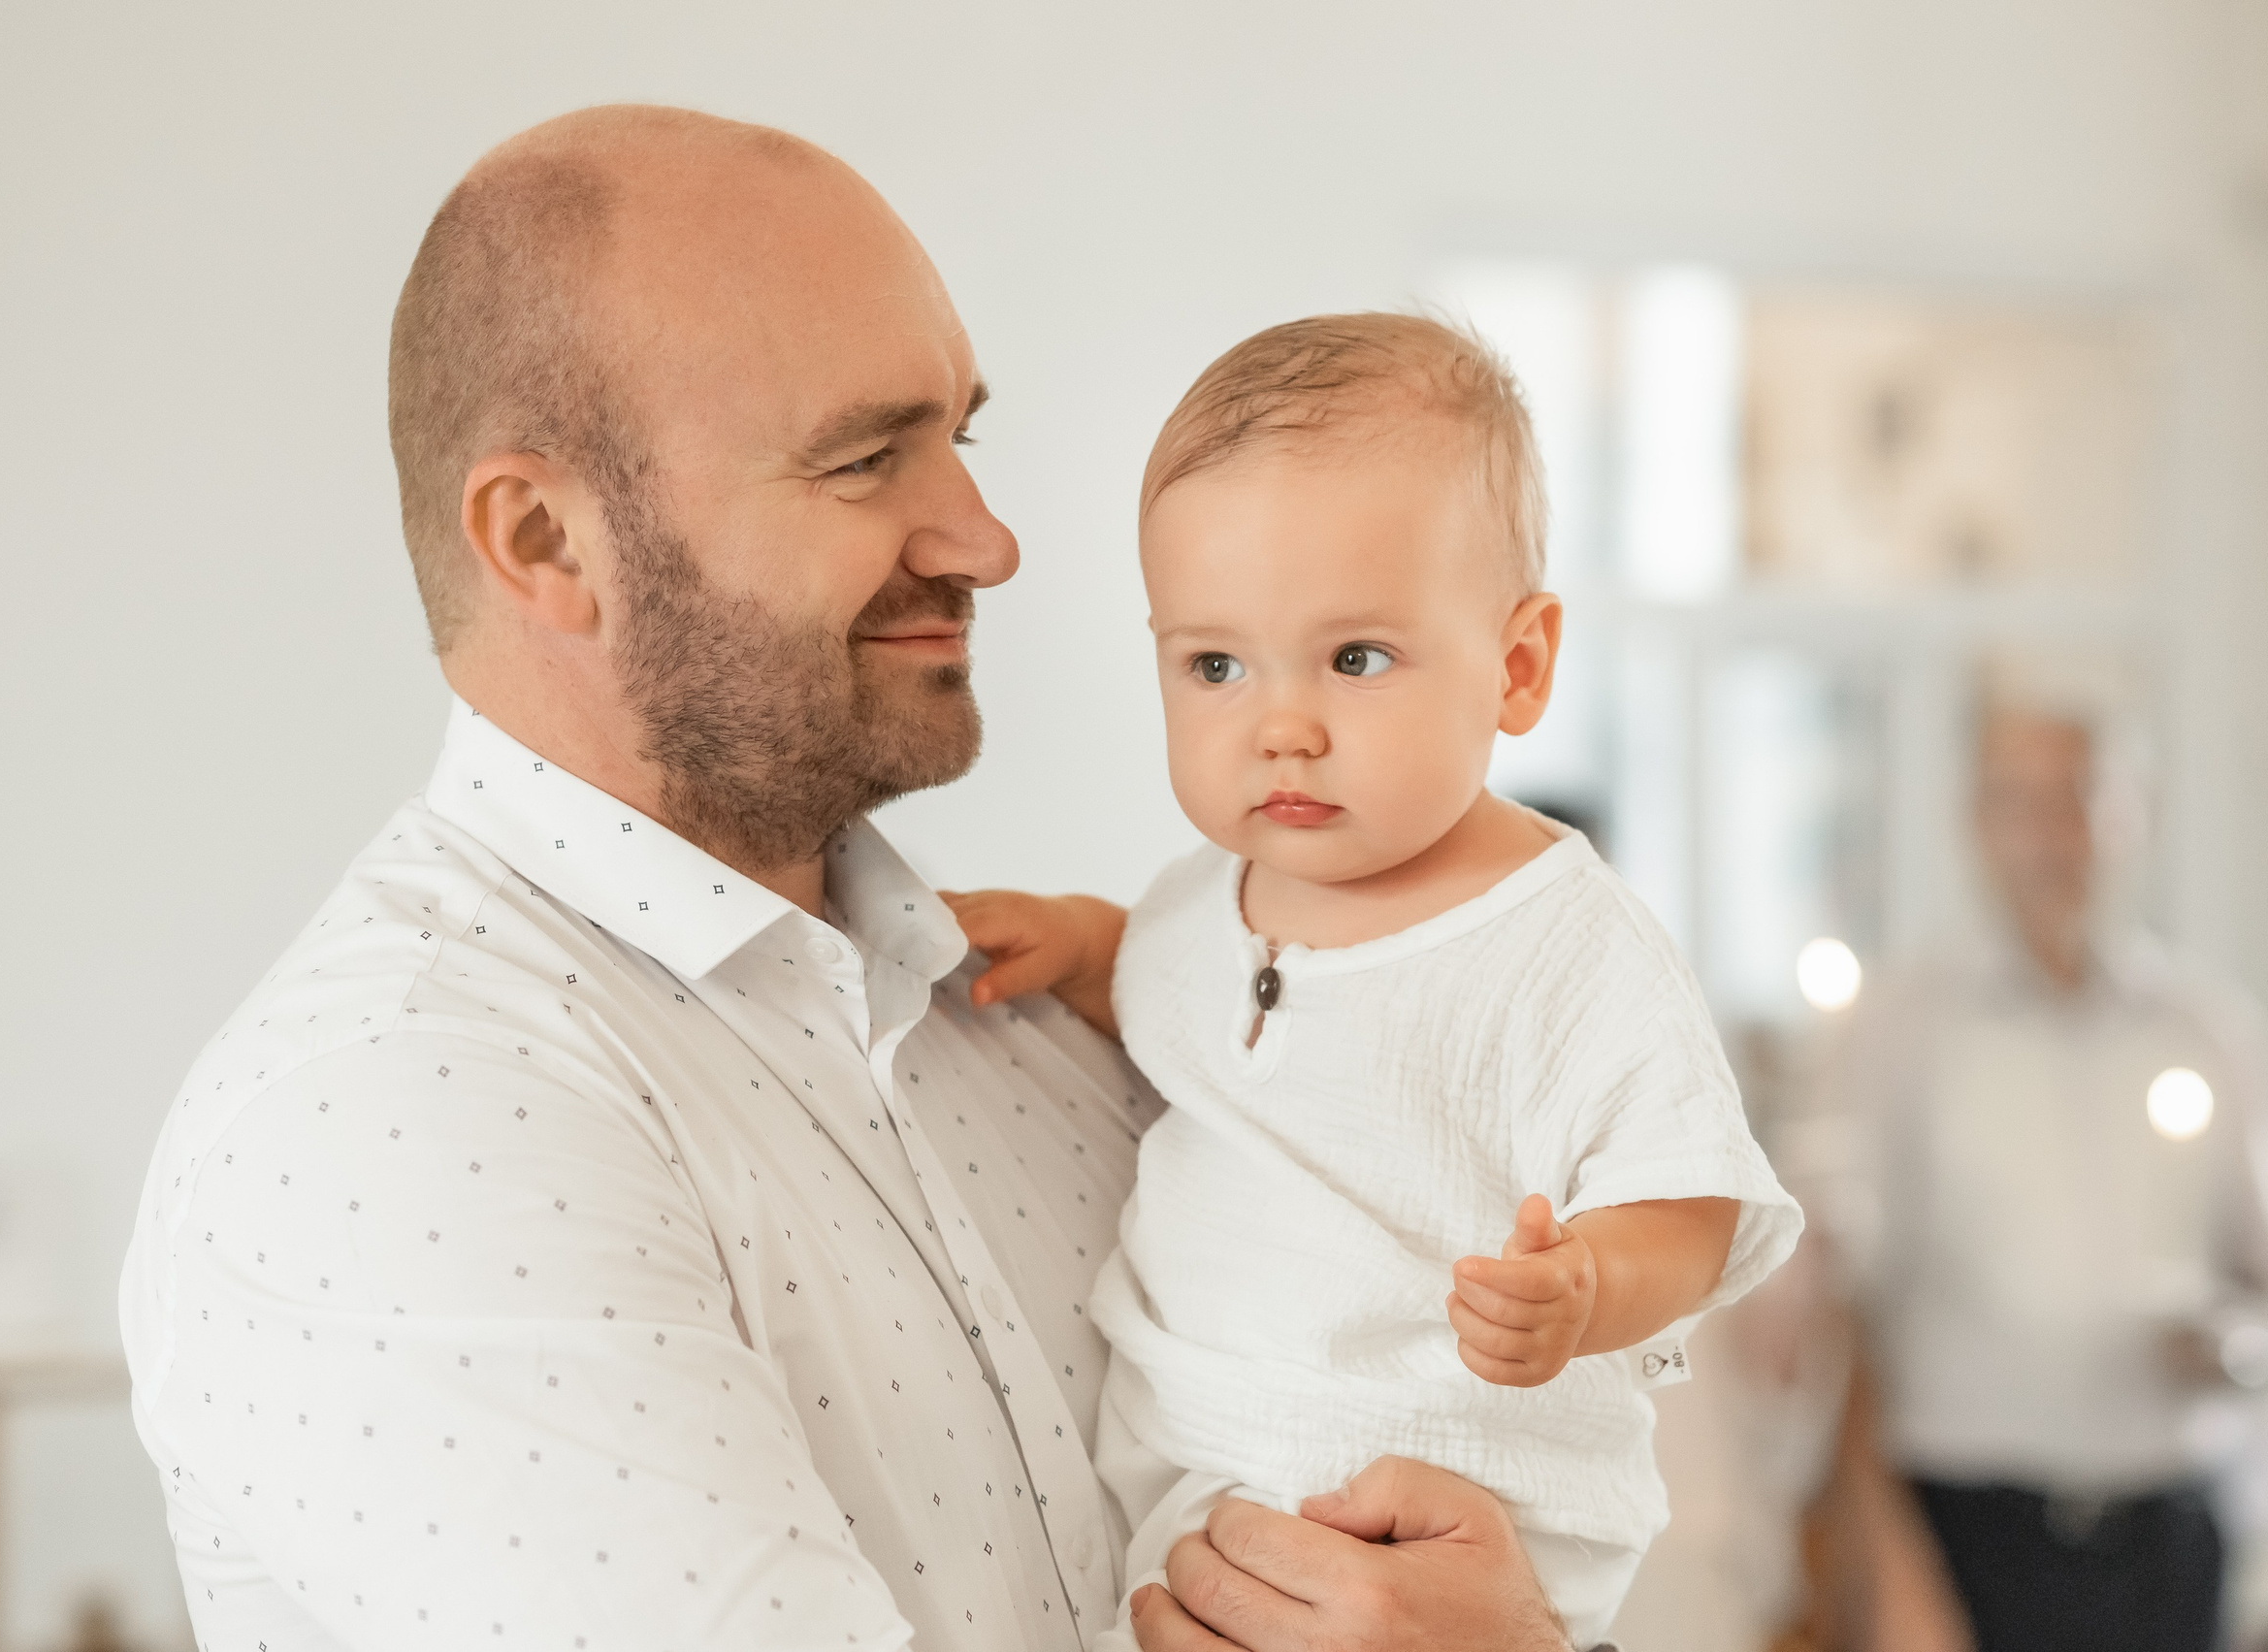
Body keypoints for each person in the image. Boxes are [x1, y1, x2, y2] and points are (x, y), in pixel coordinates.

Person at [116, 107, 1581, 1652]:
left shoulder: (1037, 1017)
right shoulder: (393, 1119)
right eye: (867, 456)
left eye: (964, 434)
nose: (989, 538)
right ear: (547, 539)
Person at [943, 312, 1803, 1649]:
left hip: (1432, 1503)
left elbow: (1686, 1199)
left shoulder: (1562, 943)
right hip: (1195, 1481)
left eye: (1355, 657)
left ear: (1517, 666)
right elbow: (1168, 983)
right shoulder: (1197, 898)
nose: (1280, 722)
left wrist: (1585, 1285)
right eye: (1215, 663)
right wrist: (1078, 938)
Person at [1821, 695, 2268, 1652]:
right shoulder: (1903, 1031)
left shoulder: (2210, 1030)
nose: (2048, 835)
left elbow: (2261, 1279)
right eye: (2016, 802)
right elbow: (1845, 1305)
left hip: (2171, 1533)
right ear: (1975, 824)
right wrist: (1885, 1559)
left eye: (2076, 797)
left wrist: (2236, 1346)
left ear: (2132, 812)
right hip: (1971, 1534)